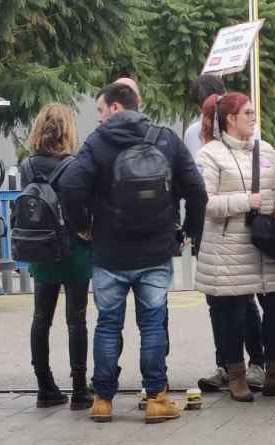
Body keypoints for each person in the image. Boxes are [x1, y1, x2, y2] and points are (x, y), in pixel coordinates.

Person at [59, 82, 208, 423]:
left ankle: (103, 401)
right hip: (156, 251)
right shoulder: (166, 139)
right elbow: (196, 190)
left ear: (114, 107)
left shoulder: (97, 143)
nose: (98, 117)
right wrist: (189, 232)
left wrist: (82, 226)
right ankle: (156, 398)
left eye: (100, 110)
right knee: (153, 325)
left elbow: (70, 185)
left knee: (108, 325)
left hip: (109, 252)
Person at [194, 92, 275, 402]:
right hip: (229, 249)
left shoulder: (264, 149)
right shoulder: (210, 154)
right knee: (234, 315)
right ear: (230, 118)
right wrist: (245, 201)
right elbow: (205, 202)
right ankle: (237, 376)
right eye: (248, 113)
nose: (254, 118)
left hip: (265, 245)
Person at [184, 74, 268, 394]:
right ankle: (229, 364)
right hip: (212, 230)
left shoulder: (249, 132)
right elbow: (195, 185)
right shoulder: (195, 134)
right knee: (219, 303)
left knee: (243, 300)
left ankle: (255, 363)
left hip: (241, 229)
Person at [22, 103, 93, 411]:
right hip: (74, 249)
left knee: (41, 318)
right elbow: (81, 209)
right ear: (68, 130)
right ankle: (79, 390)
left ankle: (45, 387)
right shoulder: (75, 165)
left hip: (40, 248)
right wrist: (86, 231)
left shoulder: (27, 165)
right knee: (76, 319)